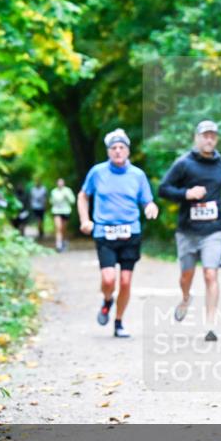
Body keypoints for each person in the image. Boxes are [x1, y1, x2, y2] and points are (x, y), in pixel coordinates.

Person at [157, 120, 221, 342]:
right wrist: (187, 194)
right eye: (205, 135)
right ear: (197, 138)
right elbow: (163, 189)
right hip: (187, 231)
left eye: (213, 135)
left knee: (210, 273)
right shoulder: (183, 163)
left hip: (214, 230)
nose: (209, 139)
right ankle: (185, 297)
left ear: (217, 139)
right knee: (186, 276)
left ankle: (210, 324)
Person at [77, 128, 159, 338]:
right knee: (108, 279)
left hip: (130, 233)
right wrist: (85, 220)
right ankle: (107, 301)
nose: (118, 151)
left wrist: (151, 207)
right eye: (113, 148)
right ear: (108, 152)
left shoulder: (137, 175)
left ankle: (119, 322)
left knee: (125, 281)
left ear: (128, 151)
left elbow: (147, 200)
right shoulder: (97, 172)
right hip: (104, 232)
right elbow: (83, 196)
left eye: (122, 147)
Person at [49, 178, 76, 252]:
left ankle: (63, 241)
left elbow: (73, 201)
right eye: (59, 183)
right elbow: (51, 201)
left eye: (61, 183)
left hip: (66, 211)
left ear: (64, 183)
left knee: (63, 229)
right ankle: (58, 244)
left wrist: (67, 196)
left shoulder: (67, 190)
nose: (60, 184)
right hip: (56, 211)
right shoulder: (53, 191)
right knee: (58, 228)